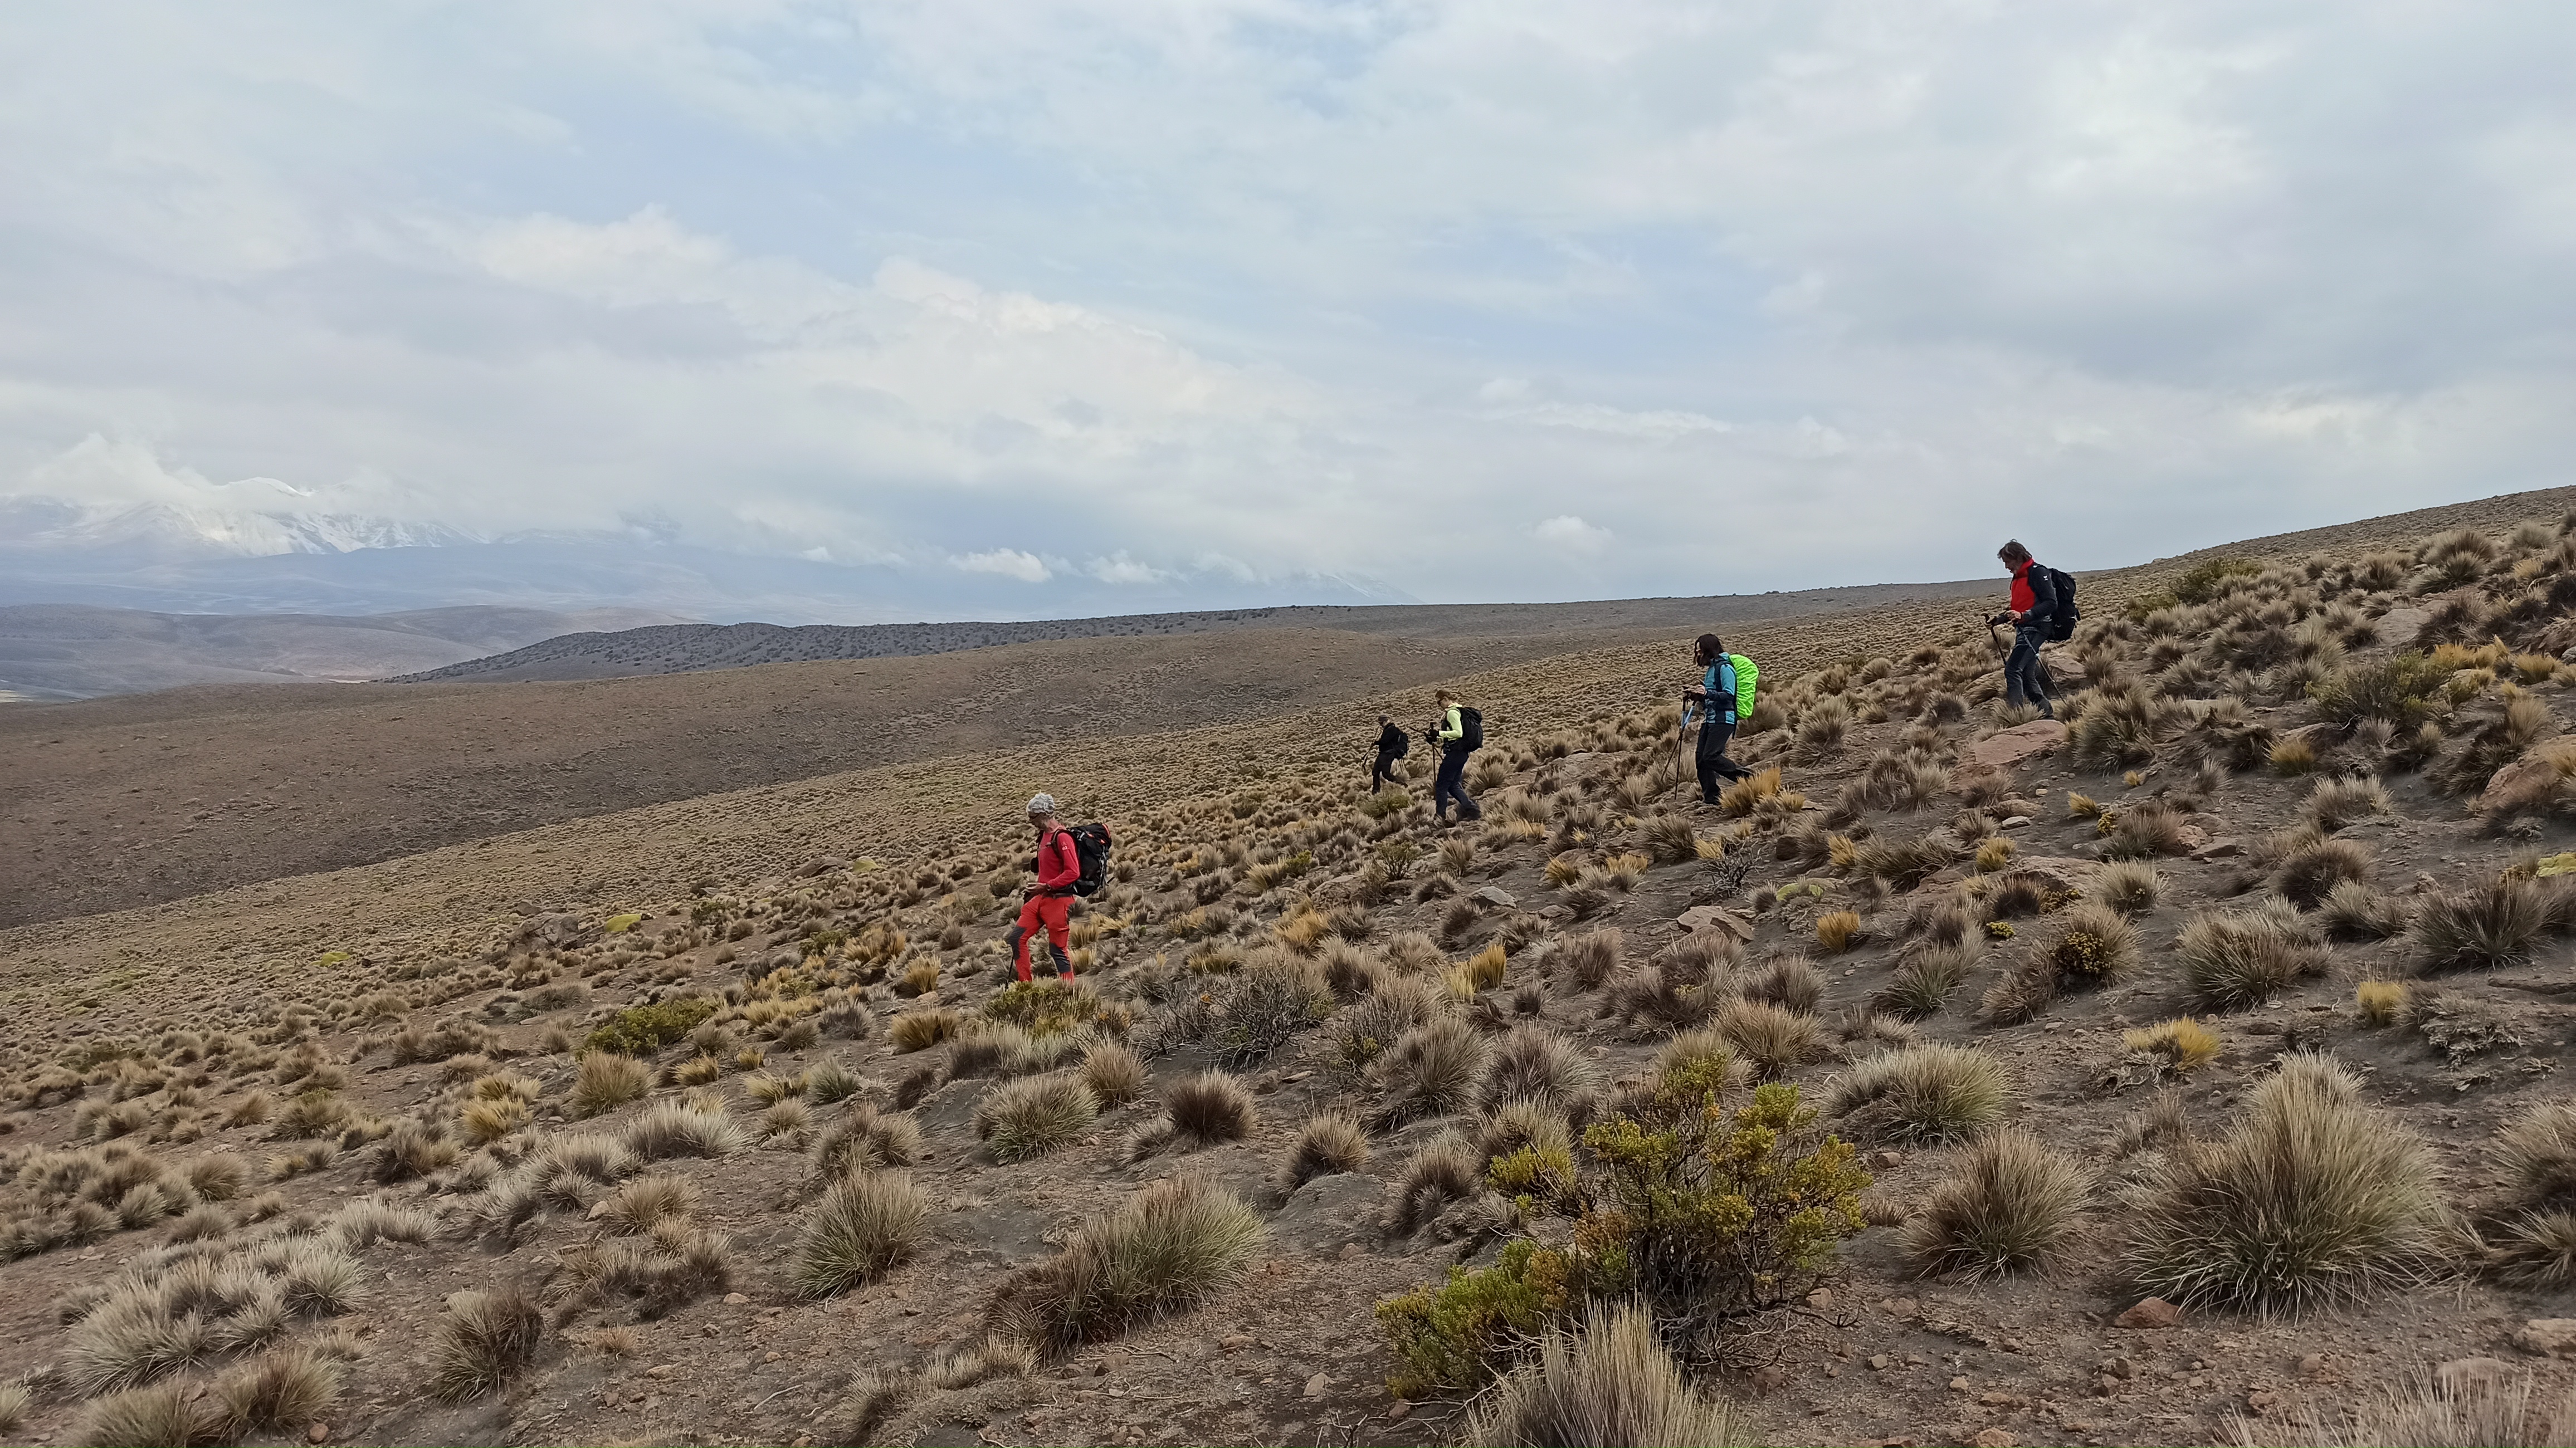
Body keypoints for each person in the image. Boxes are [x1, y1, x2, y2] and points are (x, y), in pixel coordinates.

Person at [1006, 793, 1081, 985]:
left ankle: (1069, 989)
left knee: (1057, 950)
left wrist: (1046, 886)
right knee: (1016, 939)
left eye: (1033, 817)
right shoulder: (1043, 836)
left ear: (1044, 814)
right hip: (1040, 899)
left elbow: (1073, 872)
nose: (1030, 821)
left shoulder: (1062, 837)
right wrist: (1037, 889)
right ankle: (1026, 987)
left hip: (1059, 900)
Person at [1684, 633, 1754, 803]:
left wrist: (1707, 693)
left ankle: (1751, 779)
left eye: (1700, 651)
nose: (1698, 654)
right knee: (1701, 759)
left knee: (1711, 756)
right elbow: (1711, 696)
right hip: (1710, 719)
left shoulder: (1725, 668)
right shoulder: (1711, 669)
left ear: (1708, 649)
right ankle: (1712, 798)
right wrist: (1697, 696)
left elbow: (1729, 695)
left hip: (1723, 720)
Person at [1994, 540, 2058, 719]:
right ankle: (2046, 714)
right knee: (2025, 673)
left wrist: (2025, 615)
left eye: (2008, 562)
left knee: (2013, 669)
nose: (2007, 567)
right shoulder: (2019, 577)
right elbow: (2019, 606)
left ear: (2019, 557)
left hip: (2038, 627)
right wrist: (1999, 619)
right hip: (2024, 628)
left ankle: (2017, 716)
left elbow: (2051, 603)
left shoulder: (2038, 573)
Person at [1427, 689, 1481, 823]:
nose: (1439, 705)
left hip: (1455, 753)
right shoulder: (1458, 711)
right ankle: (1473, 811)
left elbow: (1458, 733)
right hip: (1460, 753)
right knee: (1453, 785)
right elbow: (1450, 737)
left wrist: (1439, 733)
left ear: (1445, 699)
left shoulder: (1452, 713)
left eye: (1439, 702)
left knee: (1441, 785)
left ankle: (1440, 818)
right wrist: (1435, 738)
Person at [1370, 714, 1409, 794]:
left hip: (1388, 754)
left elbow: (1385, 741)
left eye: (1381, 723)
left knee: (1386, 774)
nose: (1381, 725)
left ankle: (1402, 785)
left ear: (1386, 721)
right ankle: (1375, 792)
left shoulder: (1392, 730)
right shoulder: (1388, 729)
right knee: (1375, 772)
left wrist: (1376, 742)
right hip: (1384, 753)